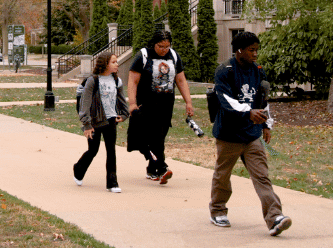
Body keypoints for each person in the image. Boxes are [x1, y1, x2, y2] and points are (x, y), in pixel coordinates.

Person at [209, 31, 291, 237]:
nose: (255, 54)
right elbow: (226, 100)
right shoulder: (224, 71)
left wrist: (266, 124)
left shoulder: (258, 71)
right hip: (228, 134)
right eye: (251, 50)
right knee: (223, 175)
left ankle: (275, 218)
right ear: (239, 51)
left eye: (256, 50)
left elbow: (263, 100)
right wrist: (248, 112)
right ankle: (217, 210)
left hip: (251, 135)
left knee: (262, 176)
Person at [126, 29, 194, 184]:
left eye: (167, 46)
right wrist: (132, 104)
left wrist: (188, 102)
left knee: (160, 137)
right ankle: (163, 168)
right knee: (152, 137)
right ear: (153, 44)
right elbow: (133, 81)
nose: (164, 50)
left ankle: (152, 169)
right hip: (146, 104)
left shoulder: (174, 56)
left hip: (166, 104)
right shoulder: (143, 55)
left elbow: (181, 80)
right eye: (160, 46)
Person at [73, 52, 130, 193]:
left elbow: (123, 102)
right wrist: (86, 124)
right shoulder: (93, 81)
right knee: (93, 150)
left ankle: (112, 183)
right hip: (95, 121)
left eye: (116, 62)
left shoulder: (117, 81)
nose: (117, 64)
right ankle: (78, 169)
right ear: (105, 64)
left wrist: (124, 115)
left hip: (111, 120)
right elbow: (85, 104)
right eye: (114, 62)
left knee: (111, 151)